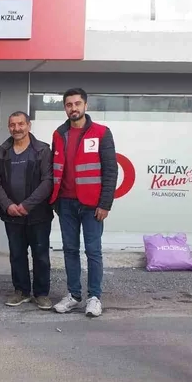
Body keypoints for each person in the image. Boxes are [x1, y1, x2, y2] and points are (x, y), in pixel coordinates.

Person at [50, 88, 117, 318]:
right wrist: (55, 201)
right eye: (69, 105)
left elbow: (110, 170)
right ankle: (74, 295)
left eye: (77, 103)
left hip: (92, 205)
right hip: (65, 203)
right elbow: (55, 167)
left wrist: (105, 204)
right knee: (70, 250)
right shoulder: (59, 134)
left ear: (85, 105)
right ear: (65, 108)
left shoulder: (101, 132)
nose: (73, 108)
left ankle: (94, 297)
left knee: (93, 251)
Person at [0, 111, 54, 310]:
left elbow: (48, 181)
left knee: (40, 255)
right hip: (12, 215)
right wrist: (7, 204)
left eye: (21, 124)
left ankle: (41, 294)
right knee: (17, 255)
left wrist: (27, 205)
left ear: (29, 125)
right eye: (12, 125)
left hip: (39, 214)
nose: (16, 128)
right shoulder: (2, 151)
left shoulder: (42, 150)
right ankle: (21, 291)